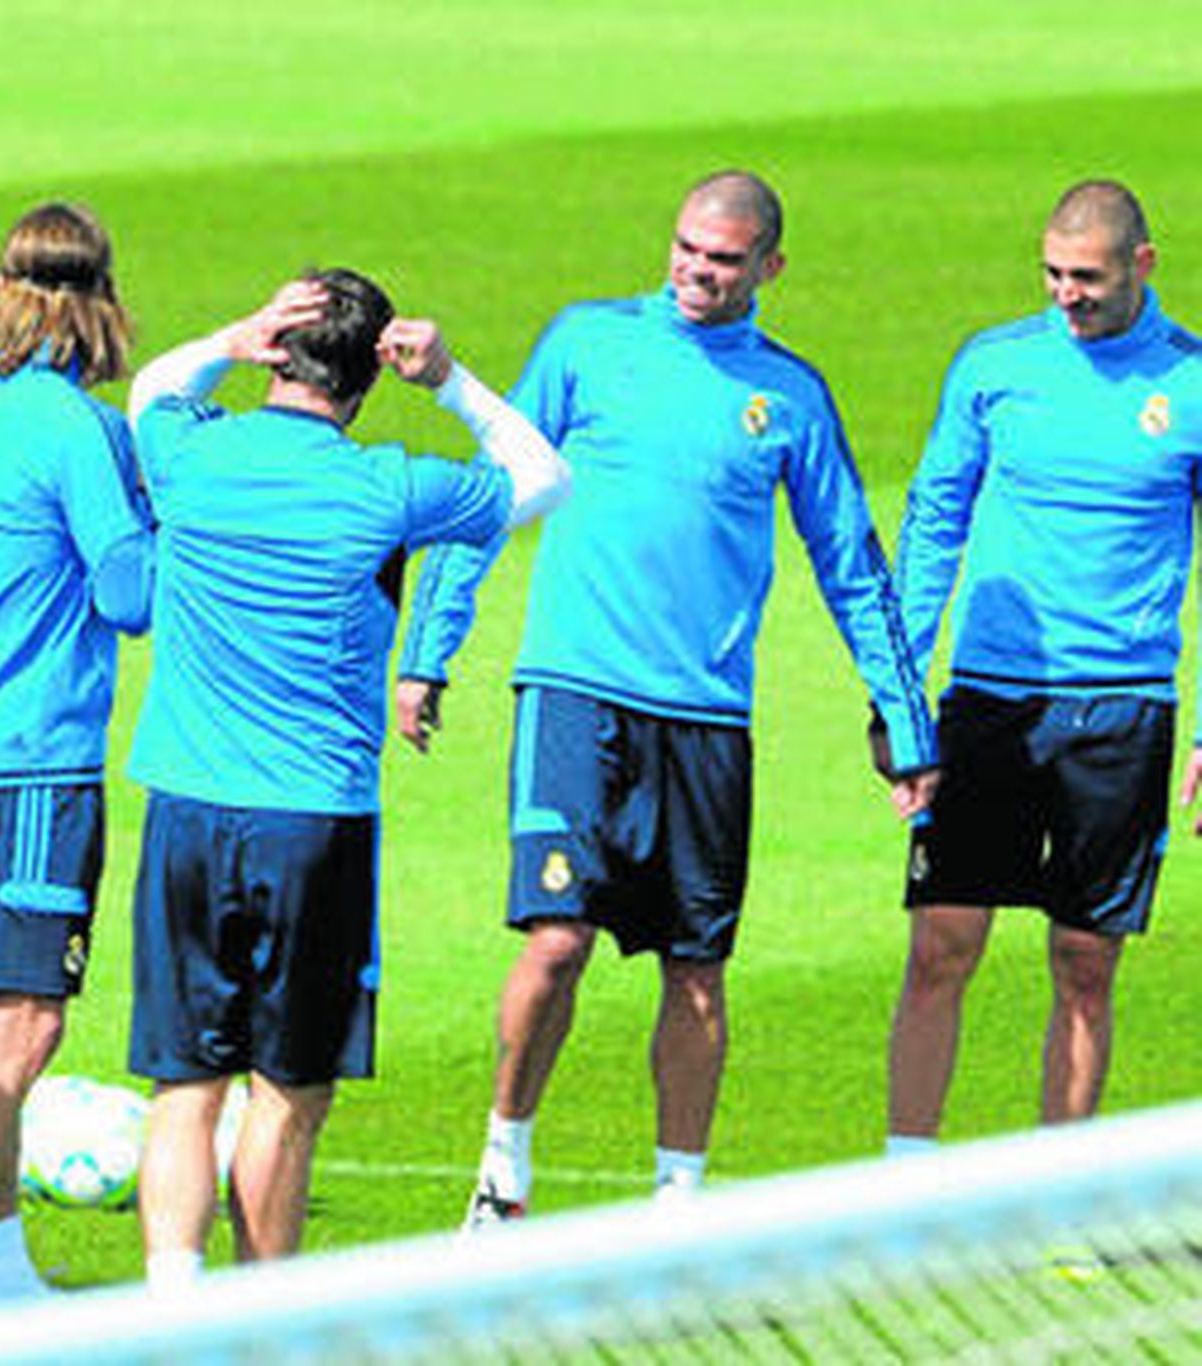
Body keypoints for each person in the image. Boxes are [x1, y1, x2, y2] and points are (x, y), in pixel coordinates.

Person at [395, 169, 939, 1226]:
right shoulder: (586, 342)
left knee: (695, 971)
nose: (696, 269)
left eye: (723, 258)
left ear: (768, 268)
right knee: (555, 941)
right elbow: (490, 490)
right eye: (687, 247)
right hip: (573, 694)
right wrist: (428, 651)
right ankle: (501, 1176)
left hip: (703, 720)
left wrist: (904, 723)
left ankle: (676, 1209)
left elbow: (852, 567)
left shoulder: (789, 397)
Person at [124, 268, 570, 1285]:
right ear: (373, 368)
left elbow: (150, 387)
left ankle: (170, 1309)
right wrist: (450, 380)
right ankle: (264, 1327)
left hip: (186, 811)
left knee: (184, 1083)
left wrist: (233, 335)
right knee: (288, 1089)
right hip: (312, 826)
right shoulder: (387, 485)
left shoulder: (191, 452)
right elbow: (542, 476)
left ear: (278, 355)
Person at [886, 180, 1202, 1149]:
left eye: (1087, 279)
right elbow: (932, 522)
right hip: (990, 700)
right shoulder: (994, 366)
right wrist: (896, 701)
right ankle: (901, 1185)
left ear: (1140, 266)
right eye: (1053, 275)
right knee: (942, 942)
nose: (1065, 295)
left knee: (1083, 960)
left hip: (1121, 707)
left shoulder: (1189, 383)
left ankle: (1059, 1203)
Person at [0, 202, 155, 1317]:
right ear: (97, 301)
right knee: (24, 1024)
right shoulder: (80, 429)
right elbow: (130, 595)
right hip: (37, 761)